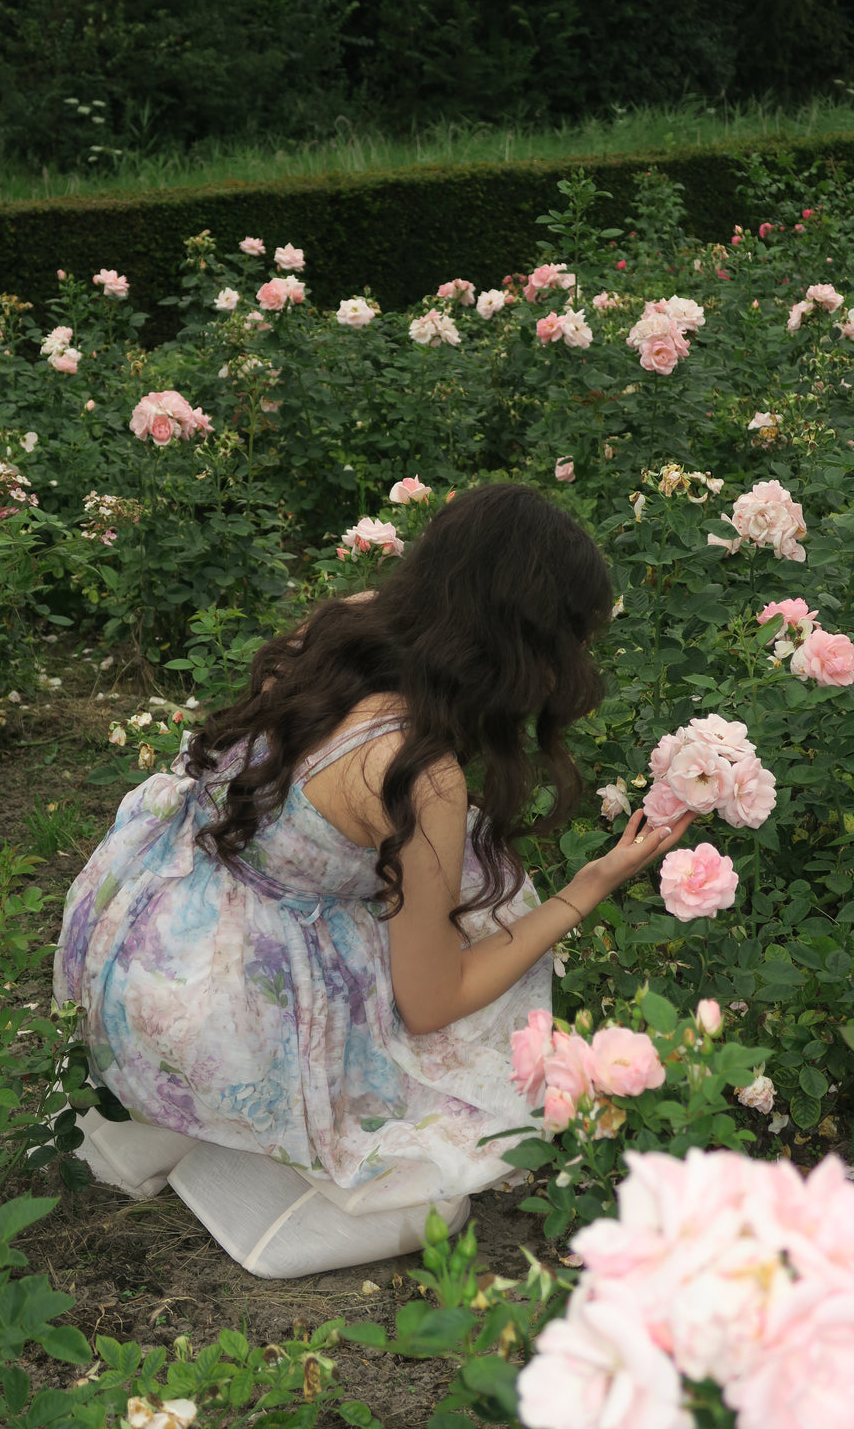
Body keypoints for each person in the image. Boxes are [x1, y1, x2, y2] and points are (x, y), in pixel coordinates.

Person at [54, 484, 692, 1277]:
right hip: (220, 1017)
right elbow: (431, 1004)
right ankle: (244, 1148)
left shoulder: (341, 626)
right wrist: (589, 886)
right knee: (438, 1177)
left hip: (145, 934)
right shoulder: (420, 775)